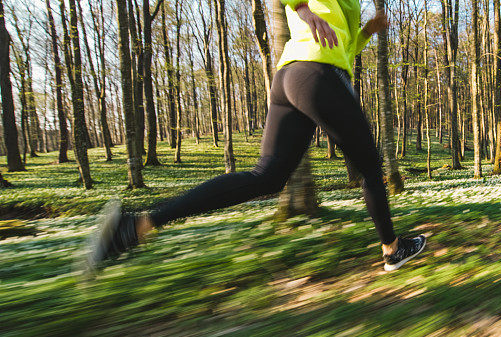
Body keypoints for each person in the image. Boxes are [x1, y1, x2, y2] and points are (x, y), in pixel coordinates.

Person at [87, 0, 425, 274]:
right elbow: (322, 38)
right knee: (369, 165)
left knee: (267, 177)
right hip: (317, 73)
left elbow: (342, 46)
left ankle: (134, 228)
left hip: (292, 77)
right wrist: (302, 9)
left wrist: (367, 30)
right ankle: (393, 250)